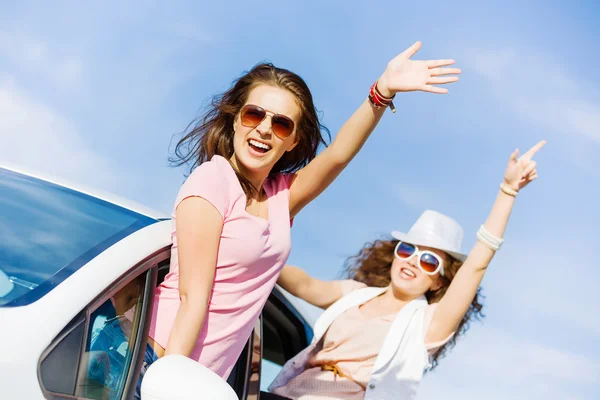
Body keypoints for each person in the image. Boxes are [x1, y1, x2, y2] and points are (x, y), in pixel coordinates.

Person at [136, 42, 460, 398]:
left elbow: (337, 156)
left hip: (197, 378)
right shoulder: (212, 181)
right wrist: (169, 383)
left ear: (292, 141)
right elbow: (191, 297)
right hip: (157, 360)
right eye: (254, 115)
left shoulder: (279, 198)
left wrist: (381, 92)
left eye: (281, 123)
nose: (263, 129)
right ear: (234, 119)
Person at [267, 141, 546, 400]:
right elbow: (306, 286)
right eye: (407, 249)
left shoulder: (427, 325)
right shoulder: (356, 295)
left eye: (428, 261)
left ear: (438, 282)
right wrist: (261, 255)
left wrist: (507, 191)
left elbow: (476, 266)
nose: (413, 260)